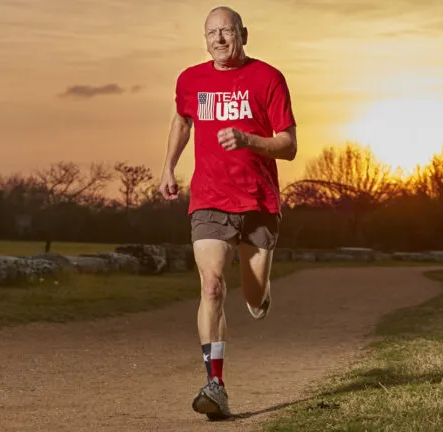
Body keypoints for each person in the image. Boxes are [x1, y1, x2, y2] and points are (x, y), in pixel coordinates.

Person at [158, 5, 297, 421]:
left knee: (253, 297)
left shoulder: (268, 78)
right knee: (213, 286)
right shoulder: (190, 80)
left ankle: (261, 293)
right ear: (206, 40)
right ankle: (215, 384)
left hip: (258, 203)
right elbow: (183, 121)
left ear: (244, 34)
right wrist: (167, 165)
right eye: (212, 33)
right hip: (210, 200)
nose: (219, 39)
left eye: (227, 31)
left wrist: (248, 140)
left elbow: (288, 146)